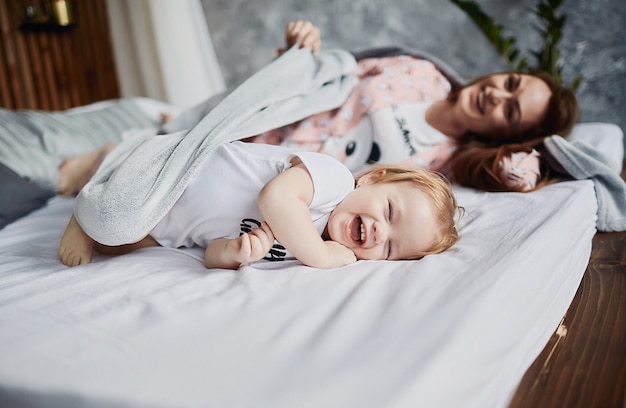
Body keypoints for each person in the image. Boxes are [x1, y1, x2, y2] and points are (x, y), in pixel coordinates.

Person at [55, 19, 579, 196]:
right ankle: (128, 149)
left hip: (270, 175)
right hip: (264, 123)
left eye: (512, 110)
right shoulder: (421, 72)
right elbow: (327, 76)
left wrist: (526, 163)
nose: (498, 94)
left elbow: (513, 174)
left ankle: (137, 157)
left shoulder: (444, 165)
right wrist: (302, 51)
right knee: (106, 166)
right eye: (511, 83)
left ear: (503, 134)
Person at [59, 141, 460, 269]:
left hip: (170, 226)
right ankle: (87, 204)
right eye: (389, 213)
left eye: (389, 247)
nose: (378, 232)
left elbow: (209, 253)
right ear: (374, 178)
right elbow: (276, 198)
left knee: (119, 246)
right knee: (110, 220)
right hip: (175, 170)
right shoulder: (333, 180)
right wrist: (321, 255)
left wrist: (234, 253)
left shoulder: (298, 250)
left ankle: (102, 198)